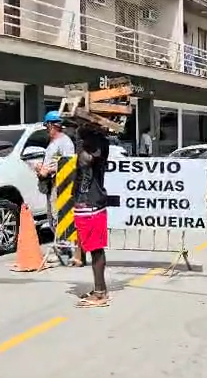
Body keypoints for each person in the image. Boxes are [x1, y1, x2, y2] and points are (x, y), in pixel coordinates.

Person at [73, 125, 111, 308]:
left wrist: (85, 138)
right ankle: (100, 289)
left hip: (90, 204)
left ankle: (100, 293)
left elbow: (86, 161)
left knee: (96, 249)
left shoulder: (91, 151)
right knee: (94, 249)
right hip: (89, 203)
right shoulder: (99, 146)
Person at [36, 111, 77, 264]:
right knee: (52, 218)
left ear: (52, 125)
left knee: (59, 216)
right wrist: (41, 168)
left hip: (61, 185)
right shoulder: (53, 142)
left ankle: (64, 250)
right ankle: (62, 249)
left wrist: (49, 170)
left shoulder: (65, 142)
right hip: (51, 183)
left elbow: (69, 164)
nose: (47, 129)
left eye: (48, 126)